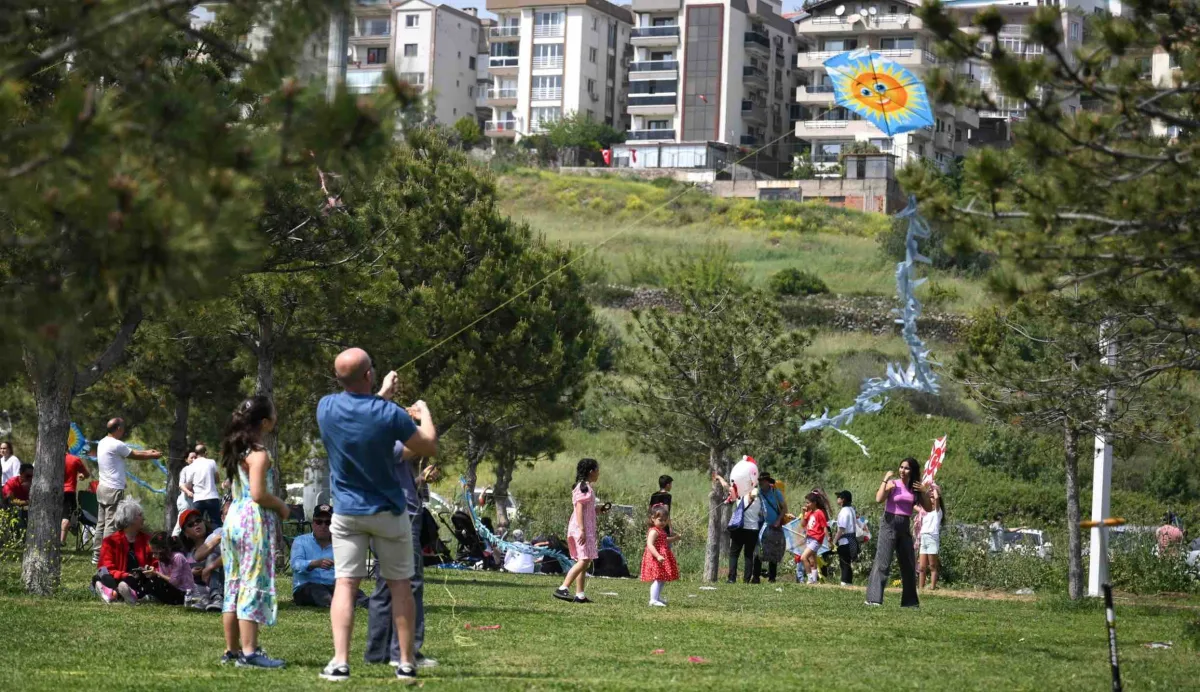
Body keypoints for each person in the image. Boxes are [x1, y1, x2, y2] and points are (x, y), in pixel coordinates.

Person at [316, 347, 437, 683]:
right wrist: (424, 412)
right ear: (369, 375)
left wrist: (381, 393)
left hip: (347, 513)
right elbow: (428, 445)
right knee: (401, 587)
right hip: (389, 512)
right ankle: (406, 663)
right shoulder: (389, 413)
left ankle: (340, 662)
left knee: (345, 584)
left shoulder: (325, 408)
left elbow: (360, 410)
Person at [219, 395, 290, 669]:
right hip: (252, 522)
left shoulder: (237, 450)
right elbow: (259, 494)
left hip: (232, 520)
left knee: (233, 585)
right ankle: (250, 653)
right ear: (264, 422)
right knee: (251, 582)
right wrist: (282, 506)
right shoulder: (258, 453)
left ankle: (232, 651)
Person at [93, 418, 163, 563]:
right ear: (118, 428)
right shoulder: (117, 444)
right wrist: (152, 455)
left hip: (102, 488)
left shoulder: (103, 442)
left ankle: (96, 554)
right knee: (111, 523)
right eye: (123, 428)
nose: (124, 431)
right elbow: (135, 455)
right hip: (113, 489)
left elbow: (133, 451)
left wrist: (148, 451)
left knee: (101, 523)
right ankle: (106, 554)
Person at [865, 457, 932, 608]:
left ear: (912, 470)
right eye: (901, 467)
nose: (902, 470)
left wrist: (924, 491)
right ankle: (873, 599)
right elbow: (878, 499)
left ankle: (910, 602)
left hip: (904, 524)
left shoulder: (915, 488)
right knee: (883, 562)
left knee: (909, 564)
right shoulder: (893, 483)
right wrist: (884, 481)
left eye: (906, 468)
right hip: (889, 523)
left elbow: (929, 508)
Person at [92, 500, 180, 605]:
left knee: (152, 581)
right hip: (121, 578)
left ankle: (114, 594)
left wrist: (153, 570)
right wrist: (125, 575)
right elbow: (106, 567)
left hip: (141, 579)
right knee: (100, 577)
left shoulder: (148, 540)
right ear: (130, 519)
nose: (143, 518)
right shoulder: (110, 541)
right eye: (140, 515)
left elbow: (157, 562)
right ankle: (119, 592)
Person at [292, 504, 369, 608]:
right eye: (319, 522)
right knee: (317, 591)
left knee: (355, 593)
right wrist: (314, 563)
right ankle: (336, 603)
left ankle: (373, 604)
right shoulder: (301, 541)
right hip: (306, 586)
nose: (323, 526)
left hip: (333, 586)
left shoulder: (341, 544)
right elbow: (296, 565)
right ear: (313, 523)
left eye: (328, 522)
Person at [554, 458, 604, 603]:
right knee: (584, 560)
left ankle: (580, 594)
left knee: (583, 559)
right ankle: (563, 588)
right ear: (591, 471)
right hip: (582, 529)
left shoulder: (582, 487)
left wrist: (598, 510)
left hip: (580, 527)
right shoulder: (585, 488)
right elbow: (580, 509)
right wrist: (582, 530)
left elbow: (585, 509)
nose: (598, 473)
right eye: (597, 470)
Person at [715, 472, 760, 584]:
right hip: (753, 529)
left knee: (734, 554)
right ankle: (746, 579)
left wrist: (719, 477)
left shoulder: (740, 494)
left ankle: (731, 578)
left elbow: (726, 487)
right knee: (748, 555)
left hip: (739, 528)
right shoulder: (760, 498)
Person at [641, 504, 680, 606]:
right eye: (660, 520)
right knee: (658, 578)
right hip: (655, 558)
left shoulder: (661, 531)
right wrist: (657, 555)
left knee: (662, 578)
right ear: (653, 519)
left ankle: (657, 597)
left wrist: (675, 538)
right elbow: (650, 544)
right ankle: (653, 600)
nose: (663, 522)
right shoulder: (653, 531)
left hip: (662, 557)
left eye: (665, 520)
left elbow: (665, 540)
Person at [754, 473, 787, 584]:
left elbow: (784, 508)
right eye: (759, 481)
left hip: (775, 527)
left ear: (768, 482)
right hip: (761, 526)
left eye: (763, 481)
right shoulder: (758, 493)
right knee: (759, 551)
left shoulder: (776, 493)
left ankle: (772, 578)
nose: (761, 483)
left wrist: (778, 520)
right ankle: (756, 577)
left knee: (774, 551)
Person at [146, 531, 192, 605]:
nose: (153, 556)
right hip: (171, 590)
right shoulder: (162, 559)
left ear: (164, 550)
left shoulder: (177, 557)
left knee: (155, 581)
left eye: (155, 553)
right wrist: (153, 573)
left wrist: (156, 573)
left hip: (183, 594)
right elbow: (163, 578)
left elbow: (174, 582)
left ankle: (147, 596)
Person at [186, 443, 222, 528]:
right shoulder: (212, 462)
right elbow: (217, 479)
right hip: (212, 497)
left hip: (198, 499)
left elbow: (188, 484)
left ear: (196, 454)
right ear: (205, 453)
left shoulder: (191, 466)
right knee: (216, 522)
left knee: (197, 524)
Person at [918, 485, 945, 590]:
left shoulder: (938, 512)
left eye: (932, 497)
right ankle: (921, 588)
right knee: (921, 567)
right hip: (923, 538)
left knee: (932, 566)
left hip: (932, 539)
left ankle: (933, 587)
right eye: (930, 497)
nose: (931, 499)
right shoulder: (925, 512)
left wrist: (932, 486)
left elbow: (937, 498)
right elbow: (915, 504)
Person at [797, 493, 827, 584]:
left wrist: (828, 539)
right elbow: (803, 525)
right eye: (806, 503)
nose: (806, 505)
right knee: (812, 560)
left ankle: (810, 578)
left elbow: (824, 527)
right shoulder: (809, 513)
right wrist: (803, 513)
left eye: (808, 503)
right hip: (809, 538)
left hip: (816, 539)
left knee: (803, 557)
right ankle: (814, 580)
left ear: (814, 503)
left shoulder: (819, 513)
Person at [61, 451, 90, 545]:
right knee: (66, 516)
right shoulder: (74, 459)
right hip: (69, 491)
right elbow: (86, 474)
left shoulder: (49, 458)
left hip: (53, 491)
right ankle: (62, 541)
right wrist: (82, 476)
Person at [833, 490, 859, 586]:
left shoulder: (844, 511)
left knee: (844, 563)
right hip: (852, 540)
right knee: (848, 562)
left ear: (843, 500)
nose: (837, 499)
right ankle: (849, 582)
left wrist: (835, 541)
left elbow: (841, 529)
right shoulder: (851, 509)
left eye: (839, 497)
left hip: (845, 541)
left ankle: (844, 582)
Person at [173, 452, 197, 537]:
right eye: (191, 458)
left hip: (195, 499)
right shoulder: (185, 469)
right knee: (182, 520)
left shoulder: (200, 469)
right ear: (186, 460)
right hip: (185, 499)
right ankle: (174, 539)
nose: (194, 459)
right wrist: (188, 491)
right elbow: (181, 485)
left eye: (196, 457)